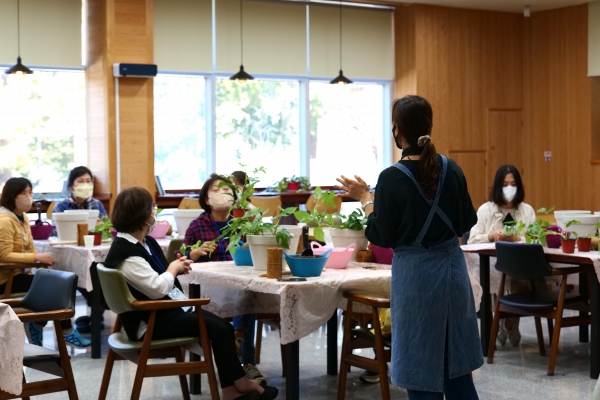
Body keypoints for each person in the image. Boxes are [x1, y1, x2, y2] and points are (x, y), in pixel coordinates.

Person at [336, 95, 482, 399]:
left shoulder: (391, 178)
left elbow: (380, 235)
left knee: (420, 371)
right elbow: (467, 222)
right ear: (429, 125)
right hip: (453, 275)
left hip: (416, 281)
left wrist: (365, 198)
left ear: (397, 129)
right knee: (457, 369)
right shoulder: (452, 169)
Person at [104, 187, 277, 400]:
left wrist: (176, 268)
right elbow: (156, 288)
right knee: (219, 330)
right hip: (150, 322)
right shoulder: (127, 254)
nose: (154, 211)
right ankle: (240, 384)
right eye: (151, 208)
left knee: (225, 327)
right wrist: (173, 268)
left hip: (161, 312)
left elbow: (156, 278)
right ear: (141, 215)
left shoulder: (145, 242)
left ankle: (231, 389)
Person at [184, 174, 264, 385]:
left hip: (238, 285)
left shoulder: (242, 223)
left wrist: (252, 217)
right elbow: (182, 254)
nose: (223, 193)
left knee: (250, 288)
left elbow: (259, 248)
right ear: (207, 199)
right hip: (209, 288)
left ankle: (240, 343)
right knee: (245, 293)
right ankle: (245, 358)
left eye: (228, 189)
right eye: (216, 189)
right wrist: (195, 252)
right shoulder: (197, 225)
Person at [0, 177, 91, 348]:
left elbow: (30, 247)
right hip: (6, 280)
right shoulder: (4, 220)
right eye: (23, 193)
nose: (29, 196)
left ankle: (38, 324)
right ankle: (65, 330)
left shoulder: (22, 217)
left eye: (30, 192)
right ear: (12, 196)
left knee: (61, 281)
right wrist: (35, 258)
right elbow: (4, 256)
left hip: (20, 275)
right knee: (56, 287)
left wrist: (38, 258)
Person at [467, 165, 537, 346]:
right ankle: (499, 323)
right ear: (498, 186)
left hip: (519, 265)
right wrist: (491, 236)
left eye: (513, 184)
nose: (509, 188)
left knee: (518, 279)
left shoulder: (527, 211)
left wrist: (517, 238)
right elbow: (472, 240)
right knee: (496, 279)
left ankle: (509, 322)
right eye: (505, 184)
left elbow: (535, 240)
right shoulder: (486, 210)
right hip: (490, 264)